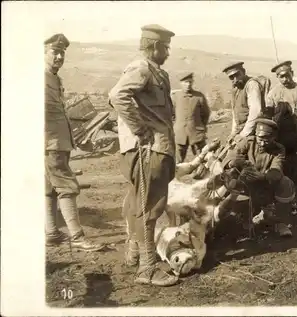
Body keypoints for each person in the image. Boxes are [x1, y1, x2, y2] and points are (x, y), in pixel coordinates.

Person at [108, 24, 178, 287]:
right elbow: (117, 96)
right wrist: (139, 129)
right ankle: (148, 269)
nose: (168, 53)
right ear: (156, 46)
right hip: (149, 150)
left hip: (154, 148)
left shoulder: (155, 72)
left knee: (139, 204)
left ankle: (135, 253)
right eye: (166, 47)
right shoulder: (141, 68)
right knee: (150, 207)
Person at [44, 33, 106, 252]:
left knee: (50, 188)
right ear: (43, 53)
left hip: (58, 142)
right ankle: (78, 237)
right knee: (67, 187)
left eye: (62, 53)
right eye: (55, 52)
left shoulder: (55, 78)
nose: (59, 57)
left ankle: (52, 233)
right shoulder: (39, 78)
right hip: (50, 143)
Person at [219, 118, 295, 237]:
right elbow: (229, 159)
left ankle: (280, 222)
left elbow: (276, 169)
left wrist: (262, 177)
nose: (262, 143)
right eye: (260, 139)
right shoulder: (247, 142)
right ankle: (246, 218)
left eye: (267, 140)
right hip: (244, 186)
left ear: (274, 138)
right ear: (255, 135)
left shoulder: (279, 149)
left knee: (286, 183)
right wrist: (237, 163)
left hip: (265, 186)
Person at [265, 60, 297, 215]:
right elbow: (268, 115)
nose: (284, 79)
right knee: (284, 168)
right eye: (281, 76)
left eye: (287, 75)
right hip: (282, 137)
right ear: (277, 77)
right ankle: (284, 200)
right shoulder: (273, 93)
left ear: (292, 74)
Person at [172, 72, 211, 163]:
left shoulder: (199, 96)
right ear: (181, 83)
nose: (188, 84)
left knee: (203, 157)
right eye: (185, 82)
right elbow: (172, 114)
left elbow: (205, 113)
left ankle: (203, 174)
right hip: (180, 133)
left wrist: (201, 126)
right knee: (177, 160)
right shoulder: (175, 97)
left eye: (190, 82)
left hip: (196, 133)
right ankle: (177, 176)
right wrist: (176, 126)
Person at [222, 62, 263, 143]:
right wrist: (233, 133)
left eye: (237, 74)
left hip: (254, 130)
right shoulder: (236, 89)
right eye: (231, 77)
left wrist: (243, 134)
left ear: (243, 72)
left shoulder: (251, 84)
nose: (235, 79)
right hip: (241, 129)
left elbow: (255, 111)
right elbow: (235, 113)